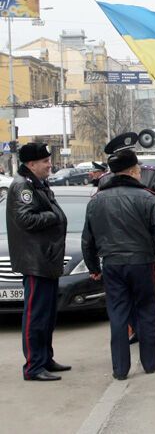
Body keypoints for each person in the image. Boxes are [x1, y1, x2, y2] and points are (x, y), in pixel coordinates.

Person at [82, 148, 155, 380]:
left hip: (112, 264)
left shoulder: (96, 200)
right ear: (134, 171)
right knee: (146, 310)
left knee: (117, 314)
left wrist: (94, 267)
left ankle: (120, 369)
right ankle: (149, 363)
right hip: (142, 262)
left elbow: (88, 238)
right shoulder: (146, 198)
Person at [7, 143, 69, 382]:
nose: (49, 164)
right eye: (45, 161)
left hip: (46, 260)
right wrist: (54, 216)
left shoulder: (36, 183)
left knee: (48, 315)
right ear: (31, 164)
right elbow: (25, 218)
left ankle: (45, 358)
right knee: (36, 316)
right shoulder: (23, 186)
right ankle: (33, 366)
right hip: (35, 261)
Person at [99, 133, 155, 213]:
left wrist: (148, 211)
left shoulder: (150, 173)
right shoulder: (105, 179)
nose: (129, 157)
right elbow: (99, 206)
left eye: (132, 153)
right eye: (125, 154)